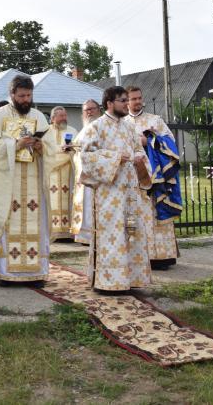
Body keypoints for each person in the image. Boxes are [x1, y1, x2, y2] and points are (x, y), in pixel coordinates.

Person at [0, 75, 53, 286]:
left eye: (29, 95)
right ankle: (7, 274)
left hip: (33, 182)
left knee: (36, 225)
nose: (25, 100)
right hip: (7, 182)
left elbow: (51, 147)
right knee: (8, 222)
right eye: (21, 96)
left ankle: (35, 273)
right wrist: (15, 144)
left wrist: (41, 147)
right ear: (11, 94)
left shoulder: (39, 116)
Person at [78, 86, 152, 291]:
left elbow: (138, 150)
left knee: (131, 231)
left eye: (127, 100)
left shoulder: (129, 127)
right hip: (109, 195)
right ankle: (109, 282)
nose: (127, 104)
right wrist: (115, 158)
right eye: (122, 100)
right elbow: (86, 157)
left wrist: (139, 160)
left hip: (130, 192)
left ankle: (132, 279)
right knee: (113, 233)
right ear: (109, 103)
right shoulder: (96, 127)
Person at [125, 86, 181, 270]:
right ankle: (139, 256)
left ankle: (161, 257)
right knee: (137, 215)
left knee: (155, 214)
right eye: (133, 99)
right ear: (126, 101)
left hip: (155, 177)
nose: (137, 101)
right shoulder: (122, 122)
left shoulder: (154, 120)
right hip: (131, 176)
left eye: (139, 98)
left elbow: (170, 143)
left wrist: (148, 141)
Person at [45, 106, 77, 238]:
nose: (64, 118)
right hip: (50, 172)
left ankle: (68, 233)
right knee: (50, 200)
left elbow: (78, 146)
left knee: (69, 199)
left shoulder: (73, 131)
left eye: (65, 116)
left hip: (68, 171)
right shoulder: (46, 132)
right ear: (53, 118)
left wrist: (71, 148)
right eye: (61, 116)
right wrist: (60, 149)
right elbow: (43, 148)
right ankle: (52, 232)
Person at [71, 99, 100, 246]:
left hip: (96, 174)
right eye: (86, 110)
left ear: (98, 110)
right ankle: (85, 236)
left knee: (94, 204)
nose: (89, 112)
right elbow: (78, 147)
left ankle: (95, 235)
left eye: (91, 109)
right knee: (85, 204)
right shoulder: (84, 129)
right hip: (82, 174)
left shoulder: (101, 126)